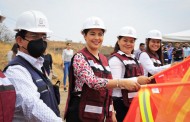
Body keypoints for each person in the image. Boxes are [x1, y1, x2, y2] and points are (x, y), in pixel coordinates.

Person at [64, 17, 150, 122]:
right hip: (80, 115)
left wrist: (111, 113)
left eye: (100, 34)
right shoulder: (80, 57)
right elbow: (93, 82)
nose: (97, 38)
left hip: (98, 116)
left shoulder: (104, 59)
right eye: (92, 34)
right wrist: (122, 82)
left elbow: (108, 90)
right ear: (84, 36)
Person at [3, 10, 62, 121]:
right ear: (19, 40)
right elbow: (32, 106)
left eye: (43, 36)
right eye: (34, 36)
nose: (40, 41)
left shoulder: (38, 65)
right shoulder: (16, 70)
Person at [109, 26, 150, 122]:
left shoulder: (134, 58)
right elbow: (114, 83)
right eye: (125, 40)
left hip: (133, 102)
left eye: (131, 41)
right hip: (120, 103)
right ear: (118, 41)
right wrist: (137, 80)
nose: (128, 44)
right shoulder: (115, 60)